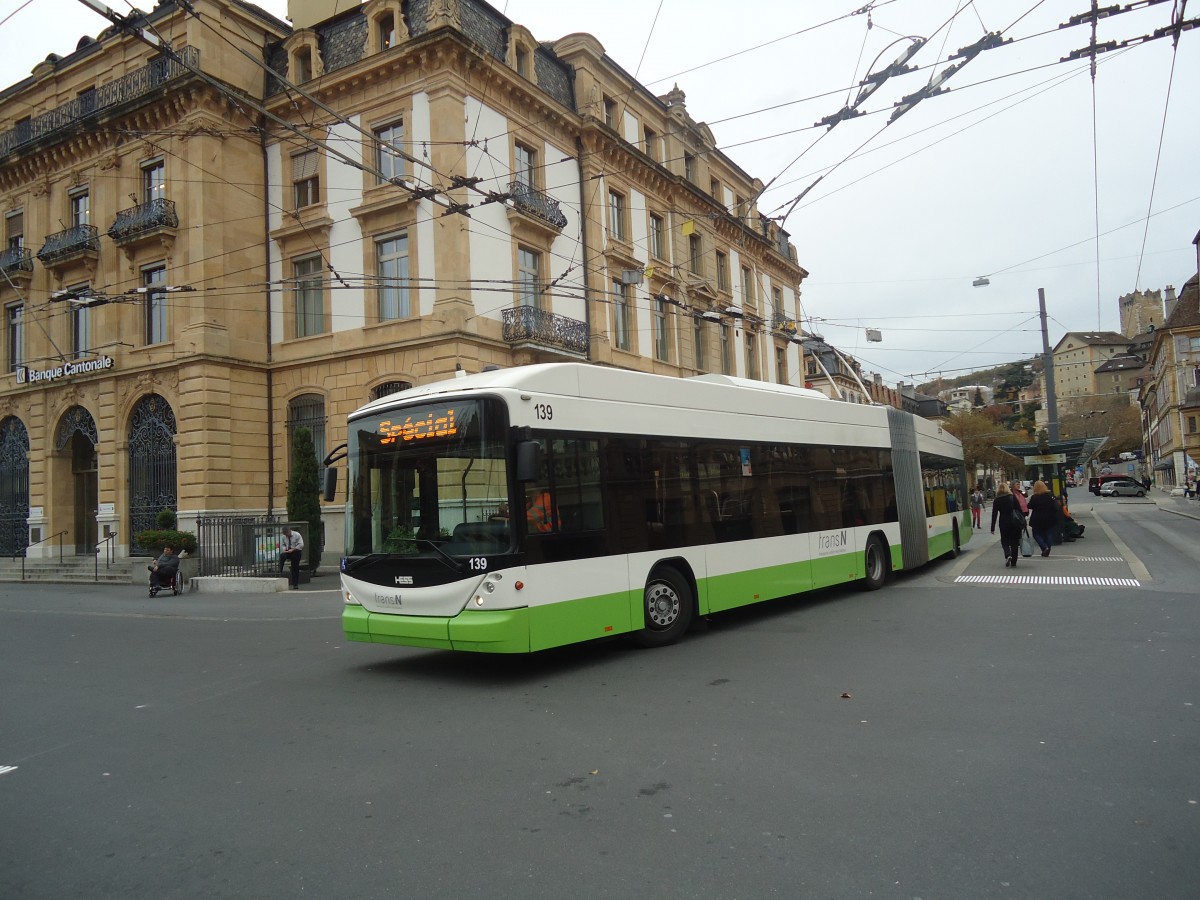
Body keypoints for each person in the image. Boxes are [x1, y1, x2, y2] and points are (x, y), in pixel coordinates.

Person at [990, 482, 1024, 568]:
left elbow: (994, 514)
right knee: (1014, 542)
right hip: (1014, 522)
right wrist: (1022, 521)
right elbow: (1019, 510)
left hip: (1003, 522)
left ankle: (1007, 554)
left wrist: (992, 527)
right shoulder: (1012, 497)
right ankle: (1014, 562)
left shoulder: (997, 500)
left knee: (1004, 540)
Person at [1026, 481, 1060, 557]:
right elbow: (1055, 507)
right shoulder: (1050, 495)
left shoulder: (1034, 497)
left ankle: (1044, 547)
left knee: (1036, 534)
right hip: (1049, 518)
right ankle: (1048, 548)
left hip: (1037, 518)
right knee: (1049, 534)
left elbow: (1029, 506)